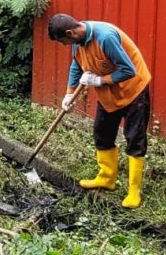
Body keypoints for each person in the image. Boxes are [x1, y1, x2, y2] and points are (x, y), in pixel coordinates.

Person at [48, 13, 152, 208]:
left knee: (134, 137)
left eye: (63, 41)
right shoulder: (77, 41)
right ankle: (107, 178)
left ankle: (134, 192)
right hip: (109, 91)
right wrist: (69, 94)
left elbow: (129, 70)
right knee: (102, 132)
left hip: (133, 89)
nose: (64, 45)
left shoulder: (105, 37)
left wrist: (98, 81)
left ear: (70, 32)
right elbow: (76, 65)